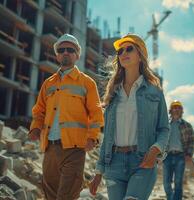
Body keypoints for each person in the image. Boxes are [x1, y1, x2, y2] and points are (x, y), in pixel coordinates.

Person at [89, 33, 170, 200]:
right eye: (120, 51)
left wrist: (155, 150)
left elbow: (163, 128)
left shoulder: (154, 91)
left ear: (140, 55)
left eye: (129, 49)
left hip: (142, 162)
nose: (123, 53)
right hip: (114, 165)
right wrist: (98, 171)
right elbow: (108, 136)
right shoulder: (113, 93)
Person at [28, 34, 104, 200]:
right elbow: (39, 110)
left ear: (77, 55)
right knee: (51, 196)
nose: (65, 53)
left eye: (70, 50)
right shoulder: (48, 84)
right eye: (61, 50)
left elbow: (96, 113)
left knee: (66, 196)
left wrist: (93, 137)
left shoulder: (86, 83)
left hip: (74, 149)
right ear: (57, 55)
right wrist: (35, 127)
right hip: (50, 149)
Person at [163, 100, 194, 200]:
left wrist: (189, 154)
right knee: (166, 183)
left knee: (178, 182)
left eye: (179, 108)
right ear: (170, 110)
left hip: (180, 157)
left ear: (181, 111)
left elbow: (192, 140)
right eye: (174, 108)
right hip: (166, 157)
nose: (176, 110)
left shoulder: (187, 125)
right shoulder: (165, 125)